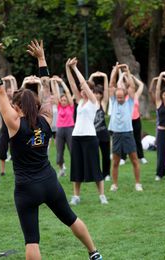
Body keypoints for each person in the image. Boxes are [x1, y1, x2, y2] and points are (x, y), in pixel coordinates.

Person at [0, 41, 102, 260]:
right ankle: (94, 253)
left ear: (18, 107)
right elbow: (47, 88)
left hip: (26, 188)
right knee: (71, 218)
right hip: (49, 183)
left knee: (32, 240)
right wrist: (41, 59)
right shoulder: (47, 119)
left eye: (13, 104)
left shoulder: (13, 122)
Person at [66, 58, 107, 205]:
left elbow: (83, 83)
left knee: (94, 167)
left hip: (90, 138)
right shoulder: (80, 101)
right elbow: (72, 84)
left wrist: (76, 68)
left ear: (89, 90)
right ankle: (76, 196)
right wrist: (67, 68)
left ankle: (102, 195)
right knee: (76, 167)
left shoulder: (94, 102)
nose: (81, 91)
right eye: (81, 90)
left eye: (84, 90)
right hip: (76, 137)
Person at [108, 63, 143, 192]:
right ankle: (115, 184)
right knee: (116, 162)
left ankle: (138, 183)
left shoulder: (130, 101)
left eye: (121, 97)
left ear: (125, 96)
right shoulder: (113, 100)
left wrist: (127, 71)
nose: (119, 99)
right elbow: (111, 85)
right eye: (118, 97)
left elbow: (132, 86)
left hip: (128, 133)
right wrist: (115, 70)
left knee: (134, 159)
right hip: (116, 134)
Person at [89, 71, 111, 181]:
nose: (97, 95)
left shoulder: (103, 103)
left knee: (106, 156)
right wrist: (92, 76)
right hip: (92, 134)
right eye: (95, 93)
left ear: (101, 95)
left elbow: (107, 90)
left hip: (103, 134)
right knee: (94, 156)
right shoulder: (89, 103)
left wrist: (105, 76)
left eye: (99, 93)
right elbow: (87, 86)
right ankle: (97, 173)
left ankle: (106, 174)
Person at [54, 74, 75, 177]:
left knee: (72, 150)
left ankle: (75, 170)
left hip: (70, 129)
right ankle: (61, 169)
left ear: (68, 101)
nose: (63, 101)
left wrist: (61, 82)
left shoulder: (70, 107)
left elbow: (67, 92)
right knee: (59, 152)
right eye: (61, 100)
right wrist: (54, 82)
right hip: (60, 130)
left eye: (65, 100)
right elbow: (57, 94)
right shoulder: (59, 107)